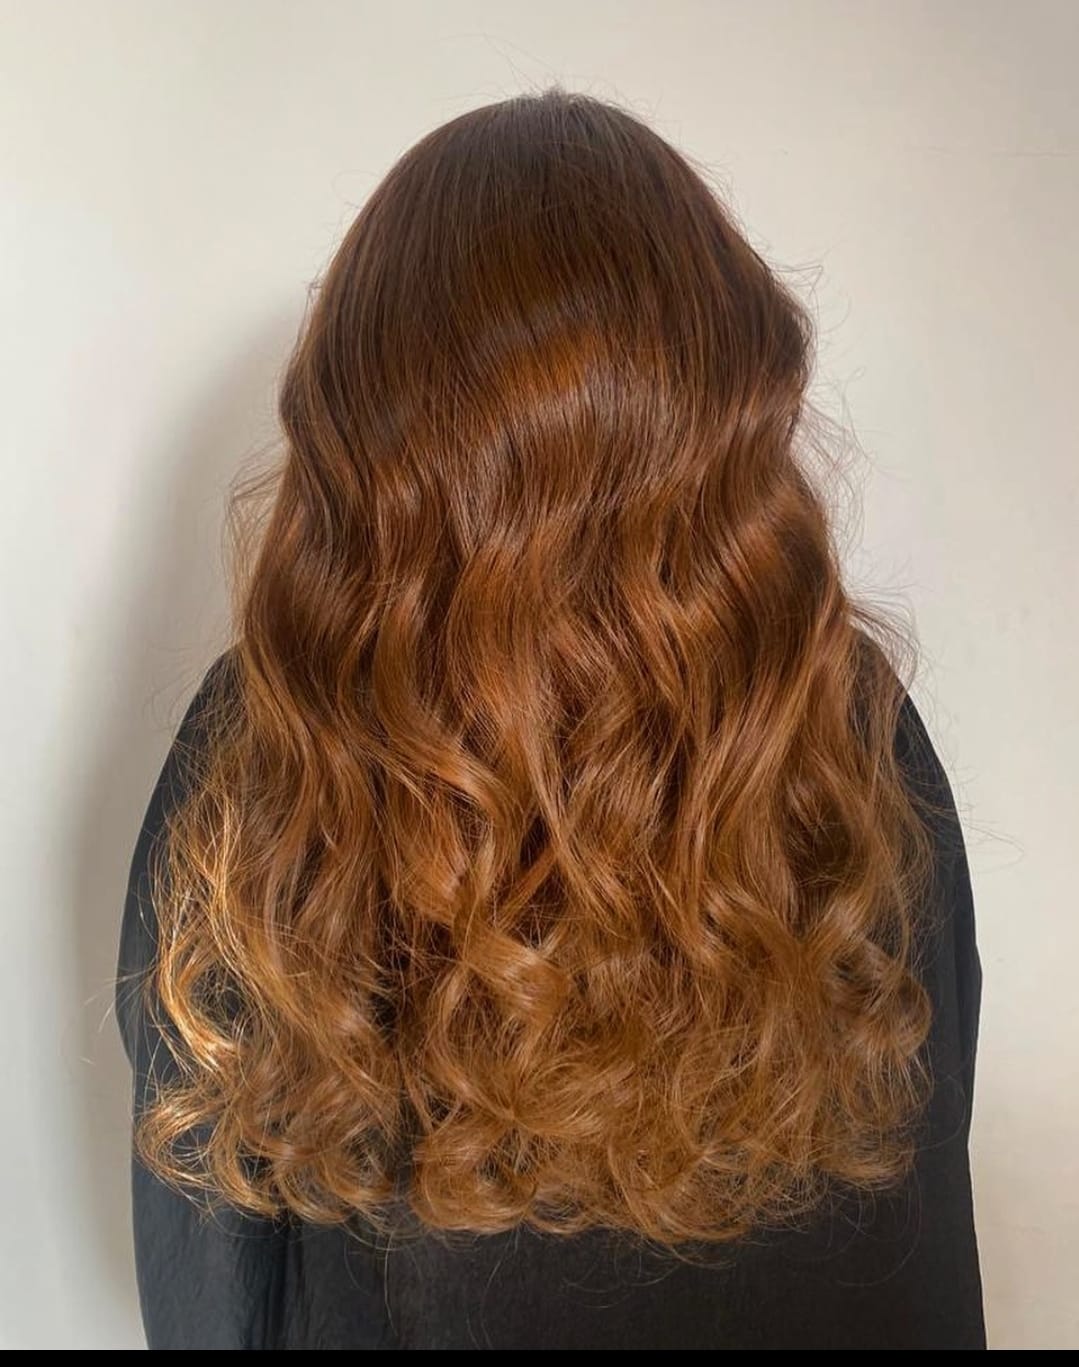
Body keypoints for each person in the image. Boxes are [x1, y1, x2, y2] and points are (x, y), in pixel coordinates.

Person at [116, 88, 983, 1350]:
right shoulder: (839, 715)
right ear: (721, 400)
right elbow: (925, 1160)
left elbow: (210, 1254)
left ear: (365, 415)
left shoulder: (263, 739)